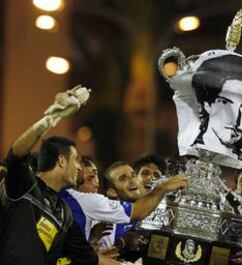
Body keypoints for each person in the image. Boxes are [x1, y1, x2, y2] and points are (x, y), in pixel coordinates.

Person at [0, 87, 116, 265]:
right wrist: (50, 119)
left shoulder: (65, 213)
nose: (79, 167)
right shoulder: (26, 186)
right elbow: (16, 154)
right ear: (62, 161)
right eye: (76, 160)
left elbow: (90, 258)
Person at [59, 160, 188, 241]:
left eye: (133, 175)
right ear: (112, 192)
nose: (132, 181)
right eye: (123, 179)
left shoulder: (163, 210)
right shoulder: (105, 224)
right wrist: (121, 244)